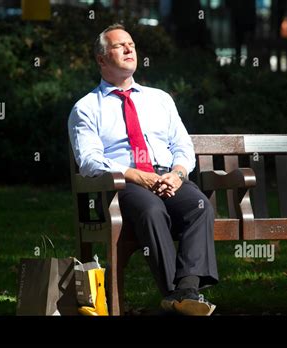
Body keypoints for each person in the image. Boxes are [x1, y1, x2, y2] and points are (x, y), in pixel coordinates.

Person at [68, 24, 218, 315]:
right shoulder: (86, 108)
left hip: (166, 177)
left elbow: (183, 146)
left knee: (199, 205)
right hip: (122, 185)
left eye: (132, 44)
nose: (128, 49)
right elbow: (88, 160)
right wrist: (136, 175)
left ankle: (185, 292)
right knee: (151, 210)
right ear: (101, 59)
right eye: (119, 45)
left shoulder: (159, 99)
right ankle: (176, 295)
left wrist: (177, 174)